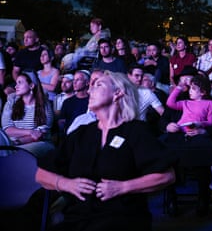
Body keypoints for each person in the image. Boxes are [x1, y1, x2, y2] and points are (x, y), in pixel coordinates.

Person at [35, 71, 176, 231]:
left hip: (122, 219)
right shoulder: (81, 134)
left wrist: (123, 187)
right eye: (91, 87)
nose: (89, 91)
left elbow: (167, 176)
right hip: (78, 219)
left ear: (118, 93)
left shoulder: (136, 131)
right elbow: (41, 174)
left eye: (98, 85)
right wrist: (66, 184)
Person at [159, 68, 212, 215]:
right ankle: (172, 198)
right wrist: (167, 126)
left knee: (203, 153)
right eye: (185, 81)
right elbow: (163, 119)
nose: (187, 84)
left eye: (190, 81)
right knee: (167, 154)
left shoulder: (210, 102)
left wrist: (204, 130)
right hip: (177, 135)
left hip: (198, 136)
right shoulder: (180, 100)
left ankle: (203, 198)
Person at [1, 71, 54, 157]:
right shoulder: (11, 101)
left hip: (39, 143)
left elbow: (39, 135)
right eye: (16, 83)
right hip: (12, 143)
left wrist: (16, 142)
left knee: (12, 154)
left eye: (20, 82)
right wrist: (30, 131)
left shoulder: (44, 104)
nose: (15, 86)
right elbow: (7, 129)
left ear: (31, 85)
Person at [58, 70, 90, 135]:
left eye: (78, 80)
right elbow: (61, 122)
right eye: (74, 80)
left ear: (87, 83)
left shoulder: (92, 101)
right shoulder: (67, 102)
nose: (74, 82)